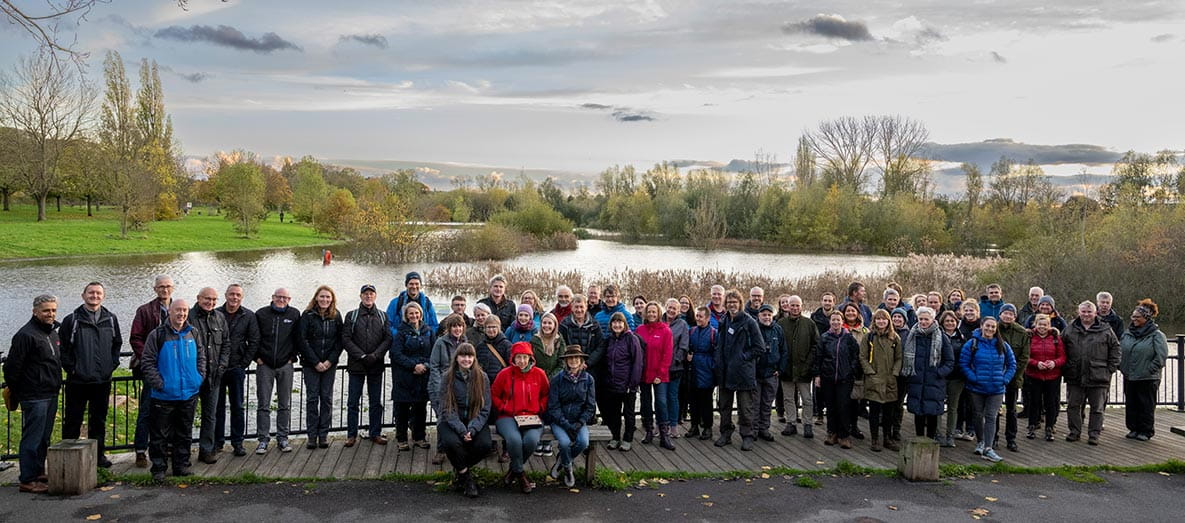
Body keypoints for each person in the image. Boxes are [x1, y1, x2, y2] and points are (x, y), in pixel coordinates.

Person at [141, 299, 207, 482]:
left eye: (185, 310)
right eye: (178, 310)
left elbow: (202, 357)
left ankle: (181, 465)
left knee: (184, 432)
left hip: (189, 392)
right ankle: (159, 469)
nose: (182, 314)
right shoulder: (157, 335)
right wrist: (160, 384)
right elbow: (147, 362)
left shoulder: (193, 333)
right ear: (170, 311)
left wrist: (198, 378)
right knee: (159, 434)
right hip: (164, 394)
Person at [59, 282, 121, 468]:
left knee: (99, 421)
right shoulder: (72, 320)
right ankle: (67, 459)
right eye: (91, 292)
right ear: (83, 295)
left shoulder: (111, 319)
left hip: (102, 380)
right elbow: (63, 348)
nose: (95, 296)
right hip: (77, 381)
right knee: (73, 420)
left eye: (98, 293)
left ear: (103, 296)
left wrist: (111, 365)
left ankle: (98, 457)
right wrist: (72, 369)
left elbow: (117, 343)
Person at [4, 295, 62, 493]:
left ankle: (38, 472)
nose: (51, 314)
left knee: (44, 438)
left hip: (50, 392)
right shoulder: (25, 335)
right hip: (34, 395)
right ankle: (27, 479)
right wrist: (21, 392)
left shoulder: (52, 333)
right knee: (32, 438)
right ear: (35, 311)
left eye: (53, 310)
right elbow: (12, 368)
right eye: (46, 310)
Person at [492, 342, 550, 494]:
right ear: (513, 358)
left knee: (531, 440)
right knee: (514, 440)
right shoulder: (505, 374)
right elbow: (494, 394)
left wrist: (540, 408)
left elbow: (546, 394)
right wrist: (504, 407)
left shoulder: (539, 374)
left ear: (530, 358)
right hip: (508, 417)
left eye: (525, 357)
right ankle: (521, 475)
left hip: (532, 416)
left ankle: (513, 471)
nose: (522, 361)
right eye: (518, 357)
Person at [434, 343, 491, 498]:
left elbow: (485, 408)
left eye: (470, 356)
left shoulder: (482, 377)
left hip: (474, 420)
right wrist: (461, 429)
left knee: (485, 445)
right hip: (451, 420)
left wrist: (472, 428)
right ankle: (466, 478)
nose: (466, 359)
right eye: (463, 356)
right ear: (457, 358)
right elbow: (446, 407)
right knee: (452, 443)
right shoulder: (448, 377)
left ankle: (460, 469)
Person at [129, 275, 174, 468]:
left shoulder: (179, 308)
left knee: (172, 408)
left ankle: (169, 446)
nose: (165, 290)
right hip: (151, 368)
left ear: (173, 288)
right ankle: (140, 450)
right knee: (146, 409)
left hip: (172, 368)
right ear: (155, 289)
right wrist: (149, 358)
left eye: (168, 287)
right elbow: (135, 337)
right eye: (161, 287)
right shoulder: (144, 310)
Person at [1062, 301, 1121, 445]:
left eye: (1089, 312)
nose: (1086, 314)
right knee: (1073, 406)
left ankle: (1094, 434)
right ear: (1078, 312)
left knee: (1097, 408)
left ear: (1095, 313)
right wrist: (1065, 368)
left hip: (1099, 376)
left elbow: (1116, 350)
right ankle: (1074, 432)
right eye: (1083, 311)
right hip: (1075, 375)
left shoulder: (1106, 330)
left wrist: (1110, 370)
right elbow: (1060, 348)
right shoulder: (1070, 329)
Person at [715, 289, 767, 451]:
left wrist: (742, 357)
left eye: (735, 302)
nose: (732, 305)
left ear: (740, 303)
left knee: (745, 407)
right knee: (724, 406)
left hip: (744, 371)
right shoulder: (724, 321)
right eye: (729, 302)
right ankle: (725, 433)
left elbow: (760, 348)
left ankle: (747, 435)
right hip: (725, 370)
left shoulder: (749, 322)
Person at [960, 316, 1016, 463]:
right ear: (982, 326)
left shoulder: (1003, 345)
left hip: (996, 388)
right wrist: (973, 377)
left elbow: (1012, 365)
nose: (990, 329)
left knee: (991, 416)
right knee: (978, 415)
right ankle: (981, 441)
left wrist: (1005, 379)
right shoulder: (972, 343)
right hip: (976, 388)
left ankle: (988, 448)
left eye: (993, 327)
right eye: (988, 326)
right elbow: (964, 363)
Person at [254, 288, 303, 454]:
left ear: (289, 299)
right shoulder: (261, 314)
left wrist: (292, 358)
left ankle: (282, 437)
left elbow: (299, 338)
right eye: (278, 297)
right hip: (264, 365)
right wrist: (257, 359)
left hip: (285, 365)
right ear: (273, 297)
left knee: (284, 404)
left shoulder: (295, 314)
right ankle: (263, 439)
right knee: (263, 405)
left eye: (285, 297)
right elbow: (254, 338)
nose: (281, 300)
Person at [342, 284, 392, 447]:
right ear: (361, 296)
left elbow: (388, 339)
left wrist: (376, 355)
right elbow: (346, 339)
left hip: (376, 365)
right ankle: (351, 434)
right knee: (353, 402)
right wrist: (362, 356)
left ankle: (375, 433)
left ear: (375, 296)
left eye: (371, 294)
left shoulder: (383, 316)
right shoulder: (352, 315)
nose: (368, 296)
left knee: (376, 401)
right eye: (365, 294)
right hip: (357, 365)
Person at [215, 284, 259, 457]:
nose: (234, 298)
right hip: (217, 369)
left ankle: (237, 442)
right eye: (231, 294)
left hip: (236, 368)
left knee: (238, 407)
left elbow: (254, 341)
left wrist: (244, 363)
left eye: (238, 295)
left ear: (242, 297)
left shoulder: (248, 315)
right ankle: (217, 442)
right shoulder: (216, 314)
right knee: (216, 407)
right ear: (225, 295)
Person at [299, 285, 343, 450]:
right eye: (322, 297)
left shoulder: (336, 316)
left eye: (328, 297)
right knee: (312, 399)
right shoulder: (307, 316)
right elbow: (302, 341)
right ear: (316, 298)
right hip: (311, 365)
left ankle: (323, 434)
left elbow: (340, 341)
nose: (325, 300)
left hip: (329, 365)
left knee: (326, 398)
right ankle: (311, 436)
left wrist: (330, 361)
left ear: (332, 299)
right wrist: (315, 361)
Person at [547, 346, 597, 488]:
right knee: (564, 442)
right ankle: (568, 468)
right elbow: (553, 406)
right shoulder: (557, 379)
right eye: (570, 358)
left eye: (576, 357)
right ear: (566, 361)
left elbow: (590, 405)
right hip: (559, 420)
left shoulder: (588, 380)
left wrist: (580, 422)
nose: (573, 360)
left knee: (583, 442)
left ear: (581, 360)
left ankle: (561, 462)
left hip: (578, 421)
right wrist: (565, 424)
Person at [190, 287, 230, 463]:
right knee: (186, 416)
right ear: (198, 298)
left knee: (210, 415)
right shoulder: (189, 317)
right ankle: (182, 452)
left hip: (214, 377)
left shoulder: (220, 317)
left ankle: (206, 450)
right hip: (193, 377)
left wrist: (222, 366)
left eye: (214, 299)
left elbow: (226, 344)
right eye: (207, 298)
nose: (211, 302)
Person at [1120, 299, 1168, 441]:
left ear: (1146, 318)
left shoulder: (1157, 335)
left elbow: (1161, 357)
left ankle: (1145, 431)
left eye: (1137, 317)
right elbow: (1120, 351)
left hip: (1148, 377)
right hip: (1130, 375)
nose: (1133, 319)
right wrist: (1122, 367)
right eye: (1132, 317)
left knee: (1146, 405)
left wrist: (1149, 370)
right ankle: (1133, 428)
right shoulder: (1127, 333)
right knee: (1131, 403)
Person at [904, 307, 955, 443]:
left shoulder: (941, 336)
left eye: (926, 319)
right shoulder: (913, 335)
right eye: (921, 319)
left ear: (933, 320)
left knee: (932, 413)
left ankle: (931, 442)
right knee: (918, 413)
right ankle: (919, 441)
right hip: (916, 380)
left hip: (934, 382)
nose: (923, 322)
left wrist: (939, 373)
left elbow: (950, 361)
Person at [391, 300, 435, 451]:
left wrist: (425, 366)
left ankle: (419, 437)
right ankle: (401, 438)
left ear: (421, 314)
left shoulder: (428, 331)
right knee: (402, 409)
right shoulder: (401, 333)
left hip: (422, 376)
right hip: (404, 376)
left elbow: (433, 353)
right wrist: (413, 366)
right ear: (406, 316)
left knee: (420, 409)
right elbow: (395, 354)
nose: (414, 316)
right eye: (411, 313)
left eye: (416, 313)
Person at [814, 311, 859, 449]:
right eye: (833, 320)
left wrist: (850, 370)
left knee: (843, 406)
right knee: (831, 406)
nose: (835, 323)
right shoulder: (824, 337)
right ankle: (831, 432)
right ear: (830, 322)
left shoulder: (848, 338)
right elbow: (818, 357)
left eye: (838, 320)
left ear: (842, 321)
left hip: (844, 378)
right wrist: (817, 375)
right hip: (828, 377)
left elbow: (855, 356)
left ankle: (844, 435)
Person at [430, 314, 470, 465]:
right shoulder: (440, 343)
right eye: (454, 326)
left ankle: (456, 448)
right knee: (442, 418)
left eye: (460, 326)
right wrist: (439, 388)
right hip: (441, 385)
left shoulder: (465, 342)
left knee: (457, 418)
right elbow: (434, 366)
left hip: (459, 386)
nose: (457, 329)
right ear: (449, 328)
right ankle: (440, 450)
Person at [601, 312, 644, 451]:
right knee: (614, 413)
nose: (617, 325)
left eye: (620, 322)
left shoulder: (631, 339)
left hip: (627, 384)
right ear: (611, 324)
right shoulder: (610, 340)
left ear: (624, 324)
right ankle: (615, 437)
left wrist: (633, 384)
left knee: (629, 413)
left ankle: (627, 438)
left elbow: (637, 363)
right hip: (612, 383)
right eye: (614, 322)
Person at [776, 295, 818, 438]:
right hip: (786, 368)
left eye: (797, 305)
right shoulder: (781, 324)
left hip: (804, 368)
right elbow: (778, 346)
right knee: (788, 398)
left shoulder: (809, 324)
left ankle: (807, 424)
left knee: (807, 399)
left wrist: (809, 363)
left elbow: (815, 345)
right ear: (787, 306)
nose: (794, 308)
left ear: (802, 306)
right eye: (792, 305)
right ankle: (791, 423)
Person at [861, 309, 903, 452]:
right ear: (874, 321)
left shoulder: (895, 338)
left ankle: (887, 438)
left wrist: (895, 373)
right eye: (878, 319)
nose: (881, 321)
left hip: (890, 380)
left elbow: (899, 358)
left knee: (889, 413)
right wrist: (870, 372)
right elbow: (862, 357)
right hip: (874, 379)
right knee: (874, 411)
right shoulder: (868, 337)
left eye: (884, 319)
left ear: (888, 321)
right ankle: (874, 439)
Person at [637, 301, 675, 450]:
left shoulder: (665, 330)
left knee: (661, 402)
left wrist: (661, 373)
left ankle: (664, 435)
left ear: (659, 313)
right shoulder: (640, 330)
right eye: (649, 312)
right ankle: (648, 431)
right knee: (646, 403)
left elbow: (668, 354)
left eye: (654, 312)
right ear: (645, 314)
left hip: (660, 374)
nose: (651, 314)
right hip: (644, 373)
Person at [1024, 314, 1065, 441]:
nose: (1042, 327)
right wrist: (1036, 364)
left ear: (1049, 325)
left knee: (1051, 403)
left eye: (1045, 324)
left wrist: (1054, 363)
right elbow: (1024, 356)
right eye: (1040, 324)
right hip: (1034, 374)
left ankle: (1049, 427)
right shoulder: (1029, 337)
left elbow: (1062, 357)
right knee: (1034, 402)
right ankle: (1032, 426)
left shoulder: (1055, 338)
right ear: (1035, 324)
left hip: (1052, 376)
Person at [529, 312, 565, 456]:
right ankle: (538, 440)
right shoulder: (534, 340)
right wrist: (539, 376)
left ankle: (547, 443)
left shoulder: (559, 340)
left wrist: (550, 377)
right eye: (544, 323)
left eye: (550, 323)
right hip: (536, 380)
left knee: (550, 411)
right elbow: (531, 360)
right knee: (538, 410)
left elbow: (562, 363)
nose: (547, 326)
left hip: (554, 381)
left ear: (555, 325)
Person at [995, 304, 1030, 452]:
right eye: (1005, 313)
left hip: (1013, 377)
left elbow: (1024, 357)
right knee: (995, 409)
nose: (1007, 316)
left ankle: (1011, 438)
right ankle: (993, 438)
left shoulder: (1021, 332)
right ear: (1000, 314)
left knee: (1011, 409)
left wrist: (1012, 374)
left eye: (1011, 314)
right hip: (995, 377)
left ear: (1015, 316)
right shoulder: (993, 329)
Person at [755, 304, 784, 442]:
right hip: (755, 373)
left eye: (769, 315)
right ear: (759, 316)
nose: (766, 317)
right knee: (754, 404)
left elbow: (784, 351)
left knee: (767, 404)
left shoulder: (778, 330)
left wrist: (780, 368)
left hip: (772, 373)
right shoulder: (754, 329)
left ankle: (764, 429)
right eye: (763, 315)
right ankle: (753, 430)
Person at [686, 307, 717, 440]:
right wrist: (688, 356)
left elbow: (717, 354)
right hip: (693, 370)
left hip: (706, 370)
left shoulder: (713, 333)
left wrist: (711, 367)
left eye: (701, 316)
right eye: (697, 316)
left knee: (706, 401)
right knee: (693, 401)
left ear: (708, 318)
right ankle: (694, 426)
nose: (698, 318)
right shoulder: (692, 331)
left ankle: (707, 427)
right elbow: (687, 347)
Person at [938, 310, 967, 447]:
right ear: (942, 323)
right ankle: (937, 434)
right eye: (947, 321)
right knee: (938, 405)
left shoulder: (962, 338)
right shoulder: (937, 336)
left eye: (952, 321)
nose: (950, 323)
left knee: (953, 407)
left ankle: (950, 436)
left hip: (957, 377)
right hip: (940, 376)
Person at [663, 298, 689, 439]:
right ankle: (661, 423)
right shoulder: (659, 322)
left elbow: (684, 346)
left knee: (672, 397)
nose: (671, 310)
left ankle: (673, 425)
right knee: (661, 398)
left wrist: (675, 360)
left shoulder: (682, 325)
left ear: (678, 311)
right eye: (669, 307)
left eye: (674, 308)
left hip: (675, 368)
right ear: (665, 307)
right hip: (660, 368)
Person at [475, 315, 512, 386]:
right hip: (484, 384)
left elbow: (511, 366)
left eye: (494, 327)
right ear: (485, 329)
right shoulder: (480, 346)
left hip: (501, 383)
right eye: (489, 327)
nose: (491, 330)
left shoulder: (507, 345)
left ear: (499, 328)